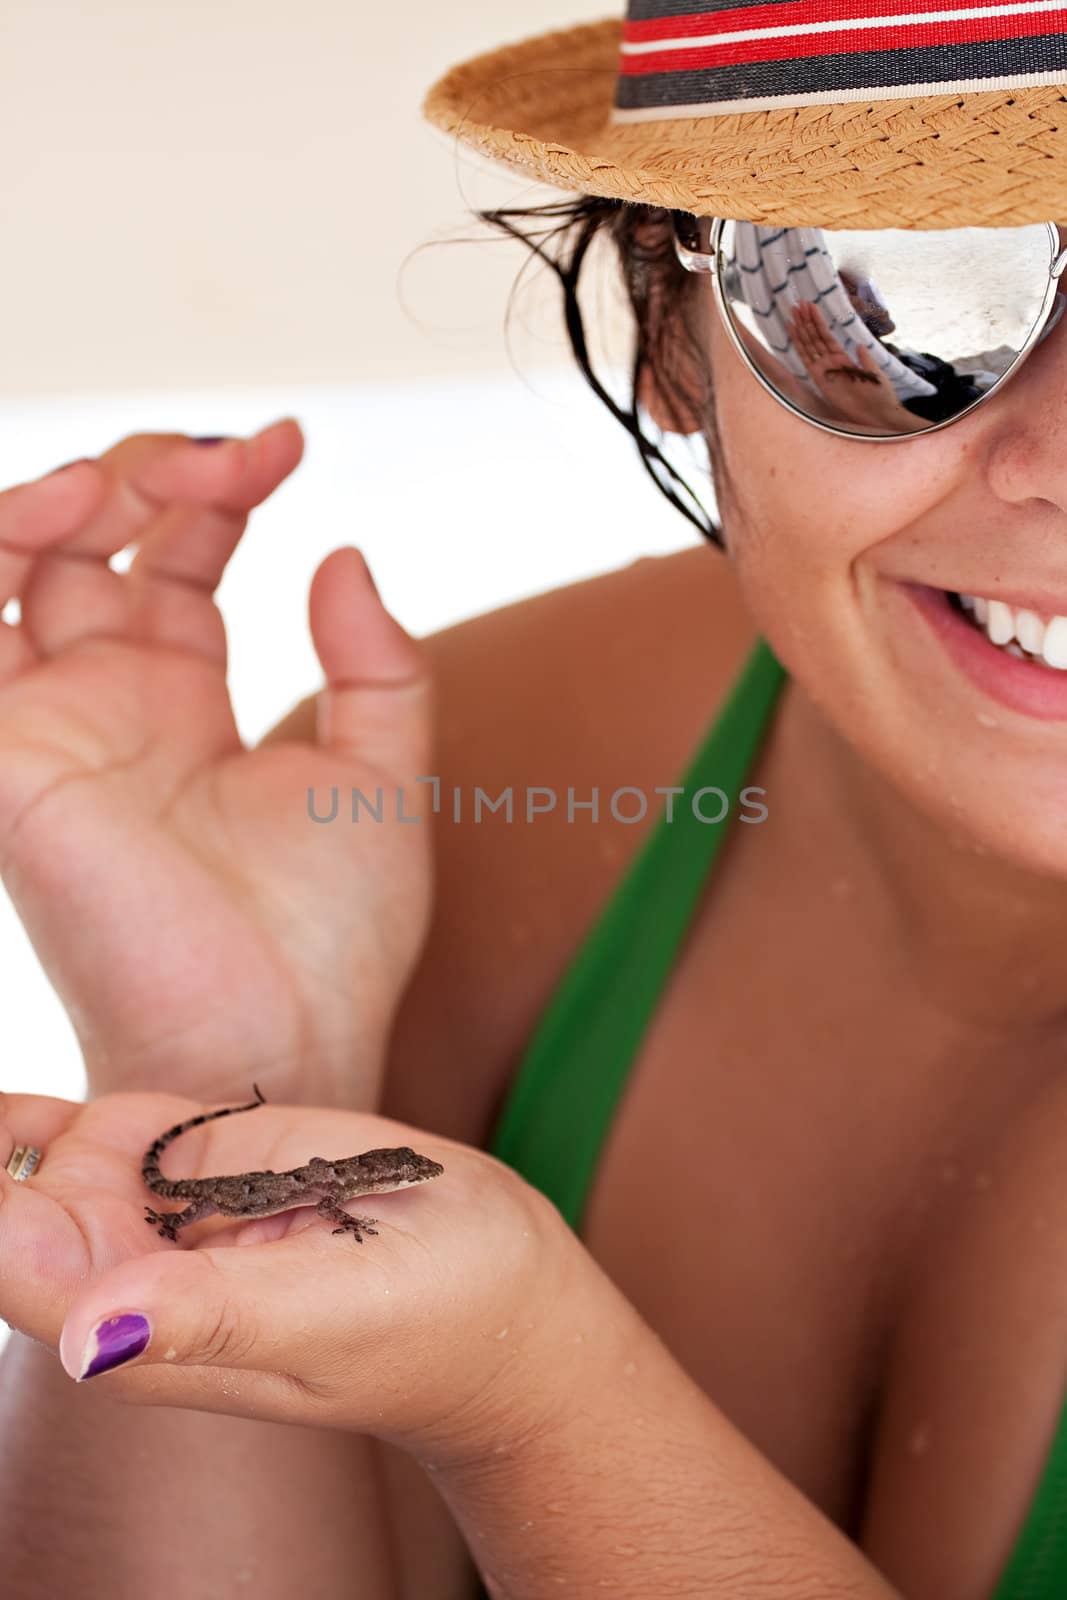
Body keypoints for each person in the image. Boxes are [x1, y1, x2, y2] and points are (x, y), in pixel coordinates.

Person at [0, 3, 1066, 1596]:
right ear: (672, 331)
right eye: (916, 281)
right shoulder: (475, 779)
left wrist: (544, 1407)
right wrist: (226, 1061)